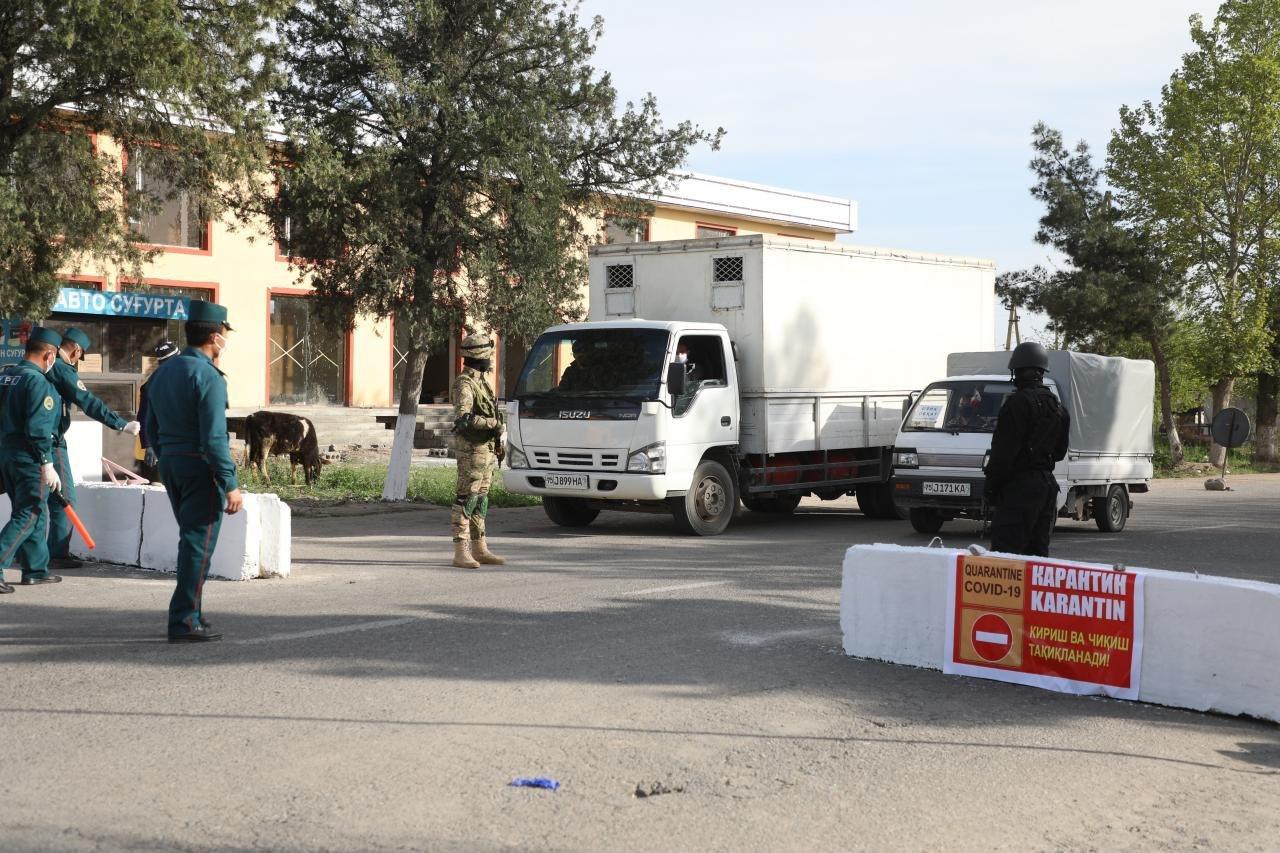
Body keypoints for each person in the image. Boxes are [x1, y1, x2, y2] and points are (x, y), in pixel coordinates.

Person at [144, 301, 242, 642]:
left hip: (172, 463)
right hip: (199, 466)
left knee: (191, 541)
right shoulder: (208, 376)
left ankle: (193, 613)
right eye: (225, 333)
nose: (226, 340)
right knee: (197, 545)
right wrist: (230, 482)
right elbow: (214, 437)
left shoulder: (163, 372)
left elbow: (150, 427)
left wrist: (168, 456)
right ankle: (184, 620)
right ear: (215, 337)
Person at [45, 327, 141, 569]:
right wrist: (121, 424)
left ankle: (32, 554)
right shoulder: (61, 368)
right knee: (64, 498)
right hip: (52, 442)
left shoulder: (41, 367)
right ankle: (56, 554)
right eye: (81, 356)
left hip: (25, 441)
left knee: (33, 500)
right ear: (76, 350)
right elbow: (87, 401)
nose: (78, 361)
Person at [984, 342, 1071, 557]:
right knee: (1037, 557)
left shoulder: (1016, 404)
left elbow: (1003, 454)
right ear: (1042, 371)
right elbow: (1059, 453)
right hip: (1046, 488)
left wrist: (991, 488)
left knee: (1006, 555)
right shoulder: (1058, 408)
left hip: (1019, 488)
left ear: (1018, 371)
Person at [0, 327, 66, 592]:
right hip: (30, 458)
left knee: (32, 512)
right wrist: (47, 463)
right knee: (29, 513)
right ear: (49, 355)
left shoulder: (5, 376)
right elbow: (39, 429)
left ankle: (35, 569)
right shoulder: (38, 382)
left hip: (7, 455)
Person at [450, 331, 506, 569]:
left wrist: (497, 442)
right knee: (466, 498)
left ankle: (480, 547)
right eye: (488, 356)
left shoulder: (482, 382)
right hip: (471, 450)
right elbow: (463, 419)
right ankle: (460, 550)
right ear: (479, 357)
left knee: (481, 499)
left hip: (486, 449)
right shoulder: (464, 384)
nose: (490, 361)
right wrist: (492, 424)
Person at [135, 340, 179, 483]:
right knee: (156, 490)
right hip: (156, 452)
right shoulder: (151, 386)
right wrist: (149, 446)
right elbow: (144, 417)